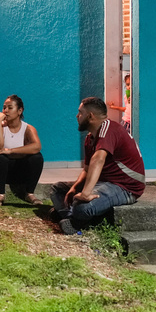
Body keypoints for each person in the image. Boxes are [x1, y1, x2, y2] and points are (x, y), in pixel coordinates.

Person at [50, 96, 145, 234]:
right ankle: (74, 217)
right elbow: (87, 169)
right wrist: (75, 188)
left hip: (126, 187)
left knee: (82, 206)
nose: (77, 116)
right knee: (57, 189)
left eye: (80, 113)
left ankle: (76, 221)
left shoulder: (109, 128)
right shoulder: (90, 138)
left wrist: (86, 193)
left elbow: (98, 158)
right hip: (105, 182)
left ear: (90, 116)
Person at [0, 94, 43, 206]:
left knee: (37, 157)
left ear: (19, 111)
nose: (5, 111)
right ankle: (0, 195)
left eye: (10, 108)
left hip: (21, 172)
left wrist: (10, 150)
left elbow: (37, 146)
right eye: (4, 108)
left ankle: (30, 193)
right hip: (1, 172)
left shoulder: (28, 129)